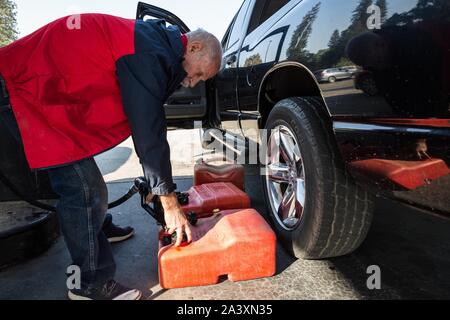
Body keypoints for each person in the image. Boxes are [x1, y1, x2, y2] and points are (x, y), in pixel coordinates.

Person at [0, 13, 222, 300]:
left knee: (83, 181)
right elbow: (148, 130)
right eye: (201, 73)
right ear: (194, 48)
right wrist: (168, 201)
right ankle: (88, 284)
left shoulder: (155, 45)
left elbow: (143, 116)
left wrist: (157, 186)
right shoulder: (149, 51)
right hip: (24, 88)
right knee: (83, 189)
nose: (193, 82)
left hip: (46, 94)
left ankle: (95, 227)